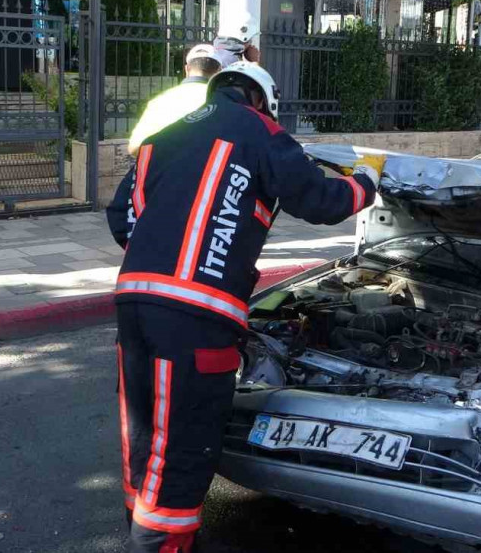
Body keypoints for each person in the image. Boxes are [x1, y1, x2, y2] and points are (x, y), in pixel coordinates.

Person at [105, 62, 385, 552]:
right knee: (185, 436)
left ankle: (137, 516)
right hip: (197, 311)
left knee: (142, 420)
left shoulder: (162, 137)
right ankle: (159, 543)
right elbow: (320, 199)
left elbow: (123, 218)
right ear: (262, 101)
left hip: (133, 298)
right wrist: (365, 180)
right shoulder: (261, 131)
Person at [127, 43, 223, 154]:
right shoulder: (223, 102)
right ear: (219, 71)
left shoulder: (160, 101)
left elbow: (134, 147)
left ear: (187, 69)